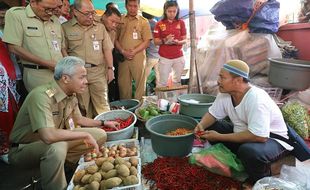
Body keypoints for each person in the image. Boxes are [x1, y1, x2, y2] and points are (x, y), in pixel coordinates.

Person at [8, 56, 119, 190]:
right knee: (57, 148)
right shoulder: (41, 96)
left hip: (53, 141)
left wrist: (103, 122)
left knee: (100, 135)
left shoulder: (70, 94)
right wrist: (83, 135)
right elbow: (48, 136)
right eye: (82, 77)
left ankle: (72, 169)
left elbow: (79, 119)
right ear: (65, 78)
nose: (86, 81)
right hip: (24, 149)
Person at [194, 60, 292, 187]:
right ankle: (241, 162)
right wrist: (201, 125)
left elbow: (259, 136)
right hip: (244, 133)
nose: (218, 81)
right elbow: (213, 114)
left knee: (249, 151)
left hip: (272, 139)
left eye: (222, 77)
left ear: (238, 80)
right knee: (211, 126)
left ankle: (258, 181)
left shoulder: (256, 99)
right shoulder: (225, 94)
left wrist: (218, 137)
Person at [62, 0, 114, 118]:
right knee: (83, 107)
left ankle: (107, 132)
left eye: (92, 13)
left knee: (102, 106)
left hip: (98, 72)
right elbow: (63, 50)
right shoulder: (65, 28)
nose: (90, 16)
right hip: (77, 75)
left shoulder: (100, 27)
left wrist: (111, 68)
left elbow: (107, 49)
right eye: (86, 13)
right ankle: (91, 133)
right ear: (75, 12)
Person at [3, 0, 64, 92]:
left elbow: (61, 48)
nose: (50, 13)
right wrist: (46, 63)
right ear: (33, 2)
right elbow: (14, 47)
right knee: (46, 102)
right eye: (47, 9)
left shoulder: (54, 20)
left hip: (60, 74)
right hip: (38, 74)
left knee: (64, 104)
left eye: (53, 9)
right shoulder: (17, 15)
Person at [115, 0, 152, 100]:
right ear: (126, 6)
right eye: (130, 6)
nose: (132, 8)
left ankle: (139, 107)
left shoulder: (144, 21)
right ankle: (126, 108)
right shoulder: (120, 20)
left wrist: (134, 51)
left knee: (140, 84)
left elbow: (147, 41)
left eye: (135, 6)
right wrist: (123, 51)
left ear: (139, 6)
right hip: (123, 57)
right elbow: (115, 39)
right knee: (123, 85)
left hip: (138, 57)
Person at [153, 1, 187, 87]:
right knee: (162, 82)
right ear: (165, 11)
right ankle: (162, 100)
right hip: (164, 57)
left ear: (177, 11)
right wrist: (165, 40)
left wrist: (178, 42)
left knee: (177, 82)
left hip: (178, 56)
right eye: (169, 11)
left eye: (174, 11)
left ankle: (175, 100)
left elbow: (185, 39)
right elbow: (155, 42)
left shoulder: (181, 22)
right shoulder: (159, 24)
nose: (172, 14)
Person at [101, 6, 122, 101]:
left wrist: (110, 68)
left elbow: (110, 50)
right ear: (104, 16)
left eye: (117, 23)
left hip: (107, 66)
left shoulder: (113, 32)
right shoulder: (95, 26)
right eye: (112, 21)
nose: (114, 25)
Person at [142, 11, 160, 88]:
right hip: (158, 55)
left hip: (151, 55)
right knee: (159, 79)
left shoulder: (146, 23)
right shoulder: (157, 23)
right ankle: (160, 95)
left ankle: (142, 94)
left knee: (143, 78)